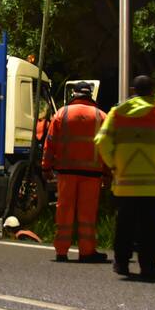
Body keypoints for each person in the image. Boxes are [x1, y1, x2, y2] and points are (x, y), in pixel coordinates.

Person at [96, 75, 155, 280]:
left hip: (125, 183)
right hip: (153, 184)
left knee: (124, 225)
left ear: (133, 91)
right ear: (153, 91)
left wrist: (114, 164)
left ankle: (121, 262)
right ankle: (148, 265)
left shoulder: (117, 114)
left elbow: (102, 141)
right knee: (150, 227)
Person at [42, 82, 109, 263]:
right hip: (92, 174)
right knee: (87, 215)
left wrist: (46, 167)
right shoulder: (101, 116)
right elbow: (107, 148)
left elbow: (50, 143)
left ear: (74, 94)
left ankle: (61, 251)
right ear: (90, 95)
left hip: (66, 172)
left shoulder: (61, 114)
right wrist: (108, 173)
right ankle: (87, 251)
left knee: (64, 211)